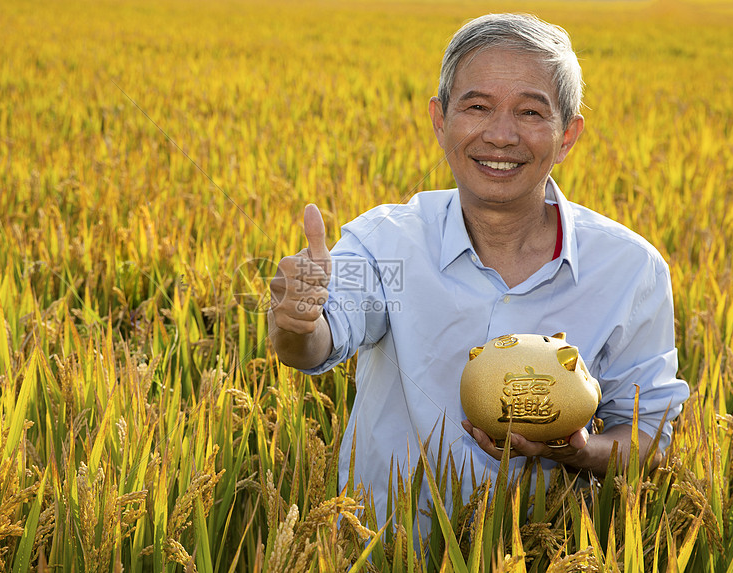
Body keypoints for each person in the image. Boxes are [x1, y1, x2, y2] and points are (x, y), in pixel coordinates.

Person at [267, 13, 689, 535]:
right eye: (477, 106)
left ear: (567, 135)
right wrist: (295, 322)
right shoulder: (385, 242)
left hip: (543, 554)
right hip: (383, 552)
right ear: (440, 119)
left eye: (531, 111)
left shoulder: (630, 270)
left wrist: (578, 451)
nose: (501, 135)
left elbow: (650, 437)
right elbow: (319, 341)